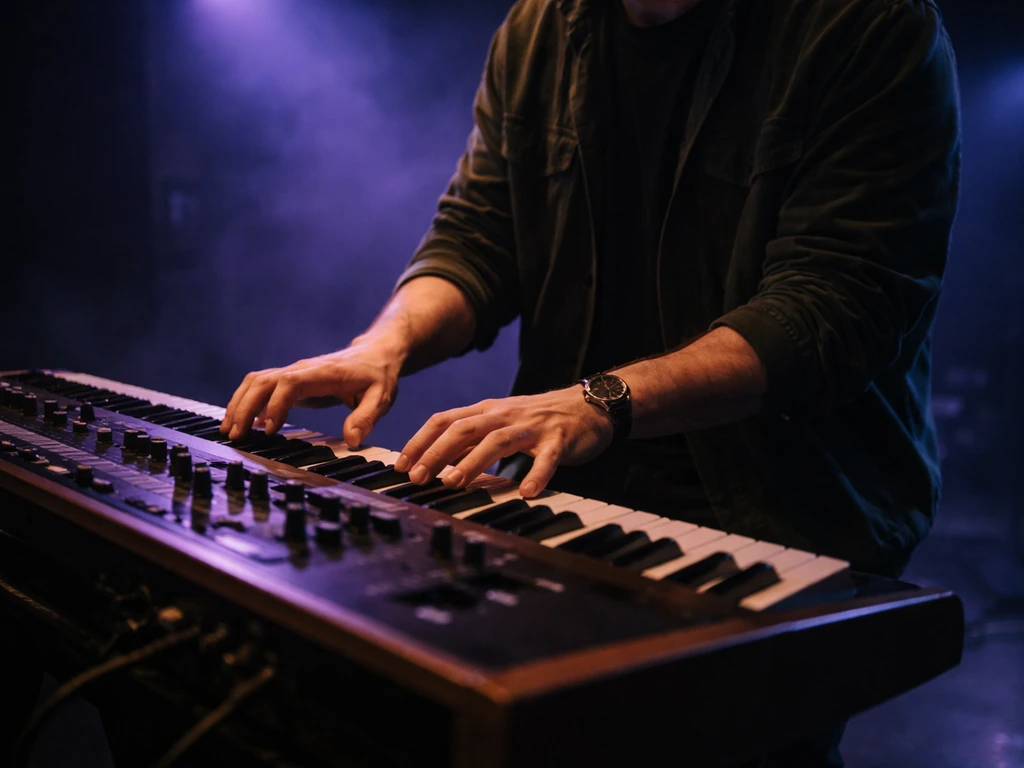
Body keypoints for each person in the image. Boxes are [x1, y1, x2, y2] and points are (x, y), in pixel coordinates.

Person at [222, 0, 960, 763]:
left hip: (774, 510)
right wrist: (383, 346)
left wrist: (600, 401)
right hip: (571, 495)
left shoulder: (867, 24)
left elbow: (829, 310)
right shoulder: (539, 29)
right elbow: (481, 236)